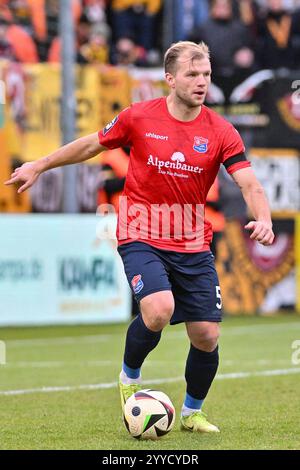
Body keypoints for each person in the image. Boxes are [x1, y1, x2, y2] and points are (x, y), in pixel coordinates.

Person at [4, 41, 274, 433]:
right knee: (159, 309)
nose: (201, 83)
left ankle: (191, 413)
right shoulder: (139, 117)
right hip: (140, 232)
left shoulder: (221, 131)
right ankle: (129, 380)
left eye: (206, 76)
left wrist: (263, 218)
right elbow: (91, 145)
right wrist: (41, 164)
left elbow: (249, 184)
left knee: (207, 335)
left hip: (192, 242)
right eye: (192, 75)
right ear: (169, 79)